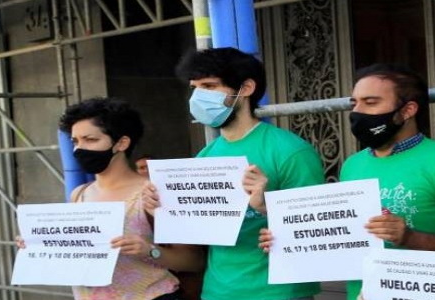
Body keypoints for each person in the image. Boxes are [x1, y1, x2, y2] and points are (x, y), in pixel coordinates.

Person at [257, 64, 435, 300]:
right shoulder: (352, 165)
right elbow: (340, 237)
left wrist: (410, 237)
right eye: (354, 103)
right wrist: (287, 239)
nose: (357, 112)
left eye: (371, 102)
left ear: (408, 110)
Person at [143, 47, 325, 300]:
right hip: (217, 290)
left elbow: (319, 226)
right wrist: (163, 211)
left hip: (279, 292)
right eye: (195, 87)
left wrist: (265, 207)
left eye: (209, 86)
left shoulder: (290, 151)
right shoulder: (205, 156)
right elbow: (195, 234)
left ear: (246, 88)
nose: (198, 96)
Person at [17, 97, 205, 300]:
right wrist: (39, 244)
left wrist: (150, 251)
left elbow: (194, 261)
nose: (79, 149)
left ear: (121, 143)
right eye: (75, 141)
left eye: (91, 140)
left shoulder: (153, 193)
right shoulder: (79, 194)